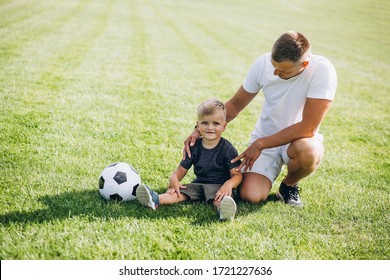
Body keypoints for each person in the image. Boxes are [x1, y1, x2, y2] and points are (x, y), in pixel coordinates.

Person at [184, 31, 337, 207]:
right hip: (266, 137)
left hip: (298, 140)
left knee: (308, 152)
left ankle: (288, 186)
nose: (275, 72)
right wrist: (197, 131)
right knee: (250, 196)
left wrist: (259, 144)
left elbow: (308, 128)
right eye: (274, 66)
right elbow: (234, 106)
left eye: (282, 71)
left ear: (304, 64)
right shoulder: (262, 64)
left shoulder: (323, 70)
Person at [137, 99, 242, 220]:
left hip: (219, 187)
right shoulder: (194, 147)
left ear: (224, 126)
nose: (210, 127)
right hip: (198, 184)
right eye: (205, 123)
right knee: (179, 192)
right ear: (197, 125)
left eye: (216, 123)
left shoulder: (227, 149)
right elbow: (181, 170)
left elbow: (237, 175)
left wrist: (228, 185)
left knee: (220, 199)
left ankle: (224, 211)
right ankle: (155, 199)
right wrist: (174, 178)